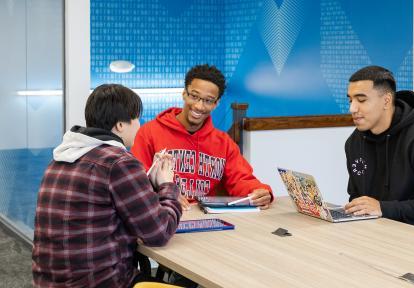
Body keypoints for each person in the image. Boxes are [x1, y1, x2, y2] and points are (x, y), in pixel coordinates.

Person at [32, 84, 182, 287]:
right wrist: (167, 185)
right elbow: (159, 232)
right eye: (137, 118)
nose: (139, 124)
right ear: (120, 125)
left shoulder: (60, 159)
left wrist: (151, 186)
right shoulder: (119, 162)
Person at [131, 64, 272, 210]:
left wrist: (259, 191)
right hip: (163, 215)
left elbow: (241, 179)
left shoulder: (224, 143)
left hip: (206, 216)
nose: (199, 106)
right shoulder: (149, 132)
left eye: (208, 100)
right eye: (194, 96)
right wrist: (165, 193)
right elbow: (137, 182)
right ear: (184, 94)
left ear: (216, 104)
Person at [343, 65, 414, 234]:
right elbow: (356, 195)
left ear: (386, 100)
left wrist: (384, 208)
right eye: (350, 100)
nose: (352, 108)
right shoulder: (354, 142)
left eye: (361, 100)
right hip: (378, 233)